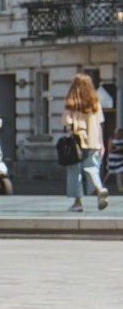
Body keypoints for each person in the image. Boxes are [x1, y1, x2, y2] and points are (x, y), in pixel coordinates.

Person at [63, 73, 109, 211]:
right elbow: (100, 124)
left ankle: (78, 203)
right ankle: (100, 189)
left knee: (75, 172)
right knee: (92, 169)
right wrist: (101, 144)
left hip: (76, 141)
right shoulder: (95, 102)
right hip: (93, 141)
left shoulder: (71, 103)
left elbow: (66, 121)